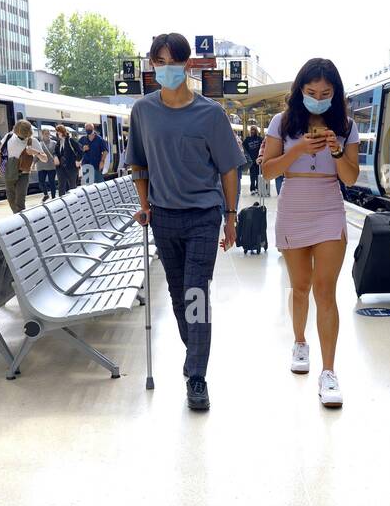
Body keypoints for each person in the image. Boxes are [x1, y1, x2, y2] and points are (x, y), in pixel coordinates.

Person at [127, 32, 246, 411]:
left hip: (203, 217)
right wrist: (144, 204)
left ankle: (197, 376)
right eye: (158, 62)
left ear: (188, 65)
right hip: (163, 218)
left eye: (172, 62)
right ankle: (194, 349)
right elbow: (139, 163)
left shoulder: (210, 114)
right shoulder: (143, 111)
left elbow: (229, 170)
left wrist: (231, 216)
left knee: (197, 294)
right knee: (179, 297)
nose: (165, 69)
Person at [261, 58, 360, 407]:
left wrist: (335, 149)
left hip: (329, 208)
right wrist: (300, 147)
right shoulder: (281, 123)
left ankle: (329, 371)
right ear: (300, 91)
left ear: (335, 94)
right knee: (299, 286)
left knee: (325, 291)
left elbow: (350, 177)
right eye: (311, 92)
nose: (318, 97)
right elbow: (269, 171)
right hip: (294, 206)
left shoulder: (346, 127)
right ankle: (300, 341)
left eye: (325, 93)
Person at [0, 118, 49, 213]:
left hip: (23, 174)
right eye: (21, 136)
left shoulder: (32, 141)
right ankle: (17, 217)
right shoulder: (8, 136)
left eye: (24, 136)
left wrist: (35, 152)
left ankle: (20, 222)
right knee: (11, 199)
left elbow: (45, 159)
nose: (23, 138)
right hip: (9, 172)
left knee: (20, 200)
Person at [54, 123, 81, 195]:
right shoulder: (58, 142)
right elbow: (55, 152)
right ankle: (61, 203)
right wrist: (55, 156)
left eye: (58, 132)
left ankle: (73, 202)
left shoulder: (70, 140)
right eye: (57, 132)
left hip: (71, 167)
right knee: (61, 186)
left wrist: (78, 160)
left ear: (63, 132)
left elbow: (80, 151)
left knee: (72, 186)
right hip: (61, 167)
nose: (57, 134)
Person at [37, 126, 59, 202]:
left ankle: (53, 196)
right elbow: (37, 154)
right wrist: (33, 163)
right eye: (45, 133)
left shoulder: (54, 143)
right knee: (41, 182)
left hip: (51, 166)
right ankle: (46, 195)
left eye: (48, 133)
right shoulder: (39, 144)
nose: (47, 135)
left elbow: (56, 153)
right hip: (41, 166)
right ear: (42, 134)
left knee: (51, 182)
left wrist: (56, 158)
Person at [242, 126, 264, 195]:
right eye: (251, 130)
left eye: (254, 130)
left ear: (256, 131)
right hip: (251, 160)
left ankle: (258, 187)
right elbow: (244, 148)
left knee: (258, 175)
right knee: (252, 175)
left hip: (258, 160)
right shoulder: (247, 139)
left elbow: (263, 147)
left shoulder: (260, 139)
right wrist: (247, 157)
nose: (252, 131)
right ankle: (252, 189)